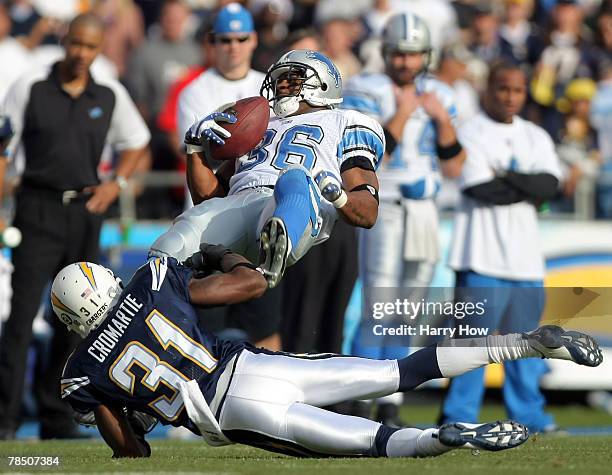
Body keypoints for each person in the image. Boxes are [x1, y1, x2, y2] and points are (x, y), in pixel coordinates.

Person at [52, 245, 602, 458]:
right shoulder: (151, 282)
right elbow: (246, 282)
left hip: (231, 414)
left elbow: (131, 451)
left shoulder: (82, 373)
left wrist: (121, 410)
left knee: (374, 443)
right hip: (252, 364)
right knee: (398, 370)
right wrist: (217, 253)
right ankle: (525, 343)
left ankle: (447, 439)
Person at [0, 13, 150, 440]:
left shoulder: (107, 93)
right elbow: (3, 147)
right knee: (21, 317)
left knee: (76, 321)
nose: (81, 54)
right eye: (76, 44)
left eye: (90, 47)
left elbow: (137, 142)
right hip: (37, 207)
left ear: (100, 48)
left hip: (84, 211)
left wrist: (115, 183)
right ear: (65, 41)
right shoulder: (31, 86)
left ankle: (56, 417)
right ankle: (5, 420)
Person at [150, 49, 384, 289]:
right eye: (277, 80)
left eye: (291, 78)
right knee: (171, 247)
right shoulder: (261, 125)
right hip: (243, 202)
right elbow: (209, 198)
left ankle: (278, 245)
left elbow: (368, 211)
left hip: (294, 206)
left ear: (323, 83)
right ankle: (141, 301)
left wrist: (340, 197)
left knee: (295, 176)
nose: (281, 85)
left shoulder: (343, 121)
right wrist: (194, 146)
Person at [342, 12, 465, 426]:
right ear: (386, 53)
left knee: (408, 309)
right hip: (386, 203)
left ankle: (391, 399)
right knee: (379, 300)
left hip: (425, 209)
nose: (407, 63)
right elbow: (366, 155)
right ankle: (360, 395)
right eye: (399, 54)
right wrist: (402, 113)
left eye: (414, 55)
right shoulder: (366, 88)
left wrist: (442, 121)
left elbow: (455, 167)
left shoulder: (443, 95)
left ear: (426, 56)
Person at [441, 61, 564, 433]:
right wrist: (523, 186)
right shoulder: (471, 131)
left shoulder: (535, 136)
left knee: (527, 347)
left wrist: (508, 176)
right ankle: (458, 416)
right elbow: (480, 188)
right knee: (470, 346)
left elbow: (550, 185)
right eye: (503, 89)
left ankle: (530, 418)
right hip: (479, 255)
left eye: (517, 91)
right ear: (488, 90)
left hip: (524, 260)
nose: (510, 97)